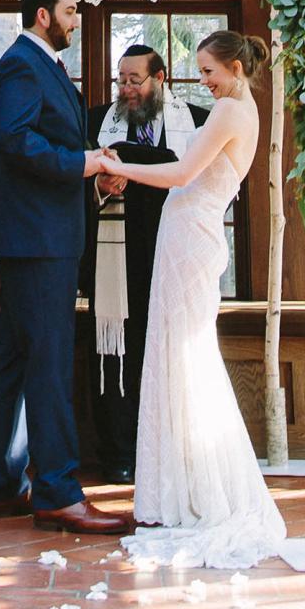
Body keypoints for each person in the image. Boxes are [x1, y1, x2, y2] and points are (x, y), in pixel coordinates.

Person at [98, 29, 286, 570]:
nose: (202, 81)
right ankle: (184, 487)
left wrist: (119, 168)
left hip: (189, 237)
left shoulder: (229, 114)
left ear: (236, 68)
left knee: (184, 358)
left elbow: (182, 173)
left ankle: (198, 489)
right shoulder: (240, 110)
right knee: (182, 357)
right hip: (190, 235)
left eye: (209, 71)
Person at [0, 0, 128, 534]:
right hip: (38, 239)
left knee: (15, 360)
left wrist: (91, 180)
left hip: (37, 231)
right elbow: (16, 141)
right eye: (69, 10)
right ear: (44, 15)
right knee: (47, 362)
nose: (75, 19)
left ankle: (3, 486)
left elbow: (44, 146)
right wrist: (84, 164)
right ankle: (59, 494)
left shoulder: (44, 66)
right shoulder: (22, 63)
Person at [82, 45, 206, 482]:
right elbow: (74, 182)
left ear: (160, 78)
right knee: (116, 351)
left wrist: (131, 168)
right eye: (121, 80)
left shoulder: (196, 121)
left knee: (171, 348)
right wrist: (100, 182)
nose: (126, 89)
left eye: (135, 80)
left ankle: (171, 449)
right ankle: (118, 451)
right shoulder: (96, 121)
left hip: (173, 253)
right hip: (114, 257)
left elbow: (204, 182)